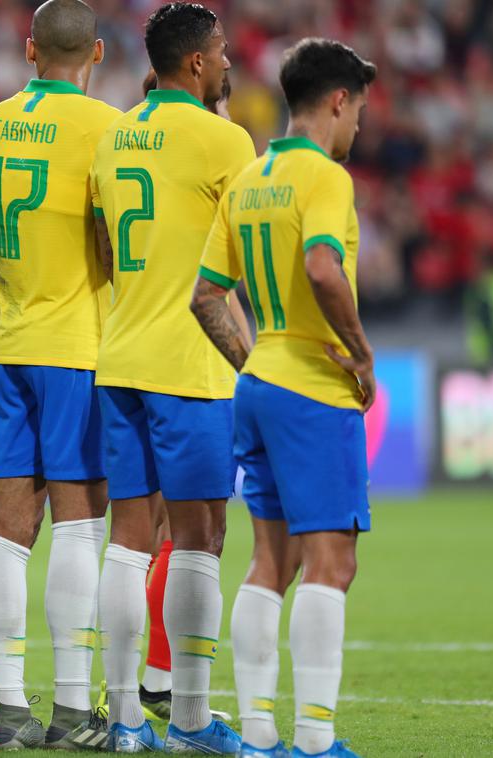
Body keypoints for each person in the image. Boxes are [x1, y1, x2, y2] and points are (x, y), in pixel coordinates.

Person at [192, 37, 377, 758]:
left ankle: (261, 734)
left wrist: (254, 363)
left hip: (259, 382)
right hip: (313, 389)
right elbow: (324, 268)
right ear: (336, 101)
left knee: (271, 561)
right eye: (357, 109)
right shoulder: (323, 177)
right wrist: (360, 358)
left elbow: (207, 295)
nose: (358, 125)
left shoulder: (250, 176)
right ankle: (315, 739)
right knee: (332, 562)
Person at [90, 4, 254, 752]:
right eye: (221, 55)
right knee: (200, 536)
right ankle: (188, 717)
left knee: (127, 538)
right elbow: (245, 262)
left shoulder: (113, 134)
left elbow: (100, 241)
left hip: (118, 355)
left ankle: (124, 717)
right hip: (191, 363)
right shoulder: (225, 140)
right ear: (195, 62)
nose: (227, 66)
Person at [0, 0, 121, 749]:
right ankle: (70, 711)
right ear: (95, 52)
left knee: (7, 527)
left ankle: (7, 710)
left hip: (5, 340)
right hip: (73, 343)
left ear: (31, 50)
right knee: (78, 519)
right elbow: (108, 237)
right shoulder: (105, 129)